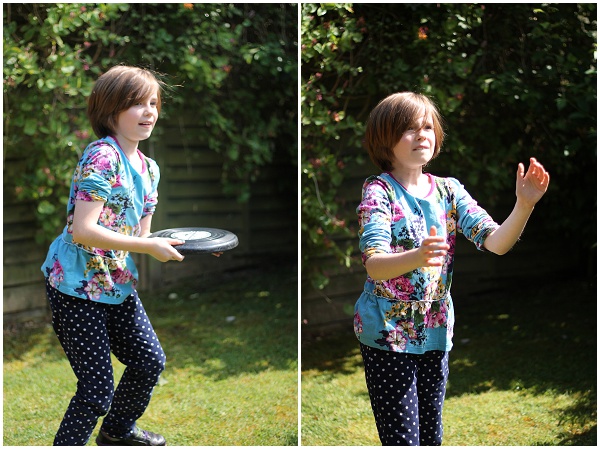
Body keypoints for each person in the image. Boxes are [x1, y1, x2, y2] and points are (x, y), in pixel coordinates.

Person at [353, 92, 550, 446]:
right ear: (385, 138)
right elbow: (375, 265)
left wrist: (524, 205)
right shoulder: (378, 191)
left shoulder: (449, 190)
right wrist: (418, 255)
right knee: (403, 440)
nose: (422, 135)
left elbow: (497, 242)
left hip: (435, 330)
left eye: (427, 127)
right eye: (409, 129)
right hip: (388, 334)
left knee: (431, 438)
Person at [41, 65, 187, 446]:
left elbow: (142, 235)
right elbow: (83, 230)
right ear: (110, 112)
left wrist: (186, 246)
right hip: (75, 284)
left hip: (115, 282)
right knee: (95, 388)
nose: (149, 110)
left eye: (153, 102)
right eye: (137, 103)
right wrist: (148, 246)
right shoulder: (102, 156)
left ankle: (117, 432)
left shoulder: (149, 168)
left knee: (148, 361)